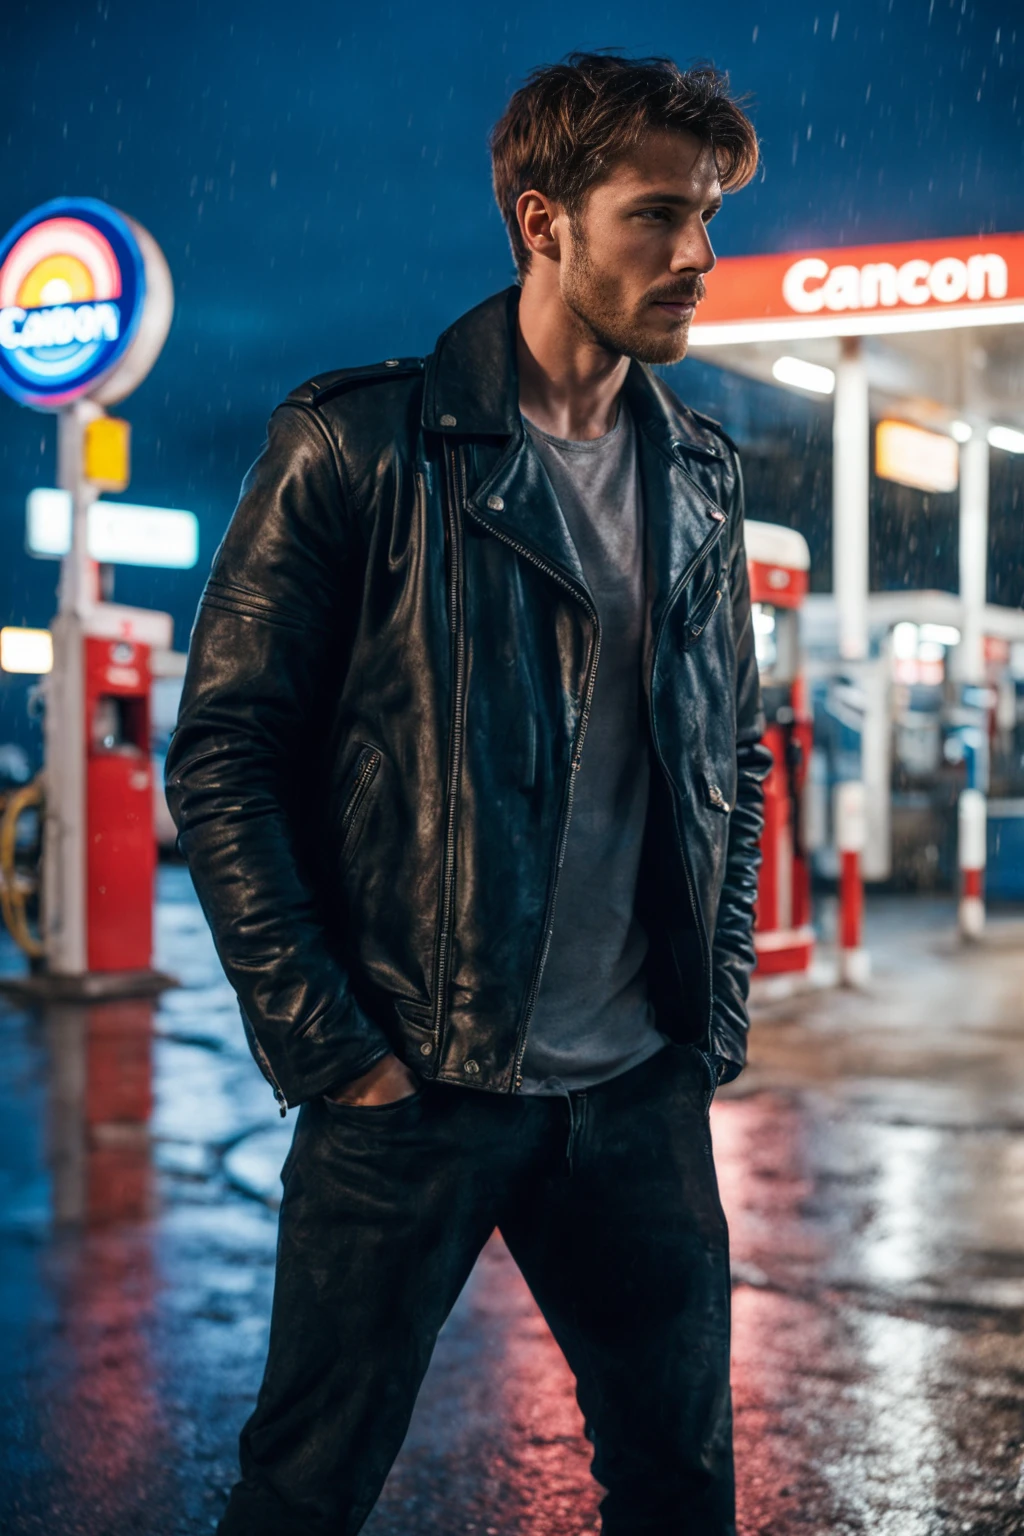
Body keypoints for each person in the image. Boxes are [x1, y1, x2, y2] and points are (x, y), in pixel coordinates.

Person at [166, 50, 770, 1536]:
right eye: (658, 217)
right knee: (305, 1491)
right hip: (411, 1080)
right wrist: (333, 1049)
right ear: (540, 219)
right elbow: (226, 755)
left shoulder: (699, 474)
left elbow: (732, 753)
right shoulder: (358, 444)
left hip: (635, 1082)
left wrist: (715, 1010)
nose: (699, 255)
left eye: (708, 219)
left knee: (680, 1481)